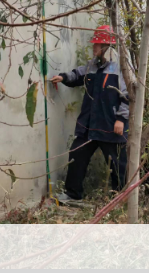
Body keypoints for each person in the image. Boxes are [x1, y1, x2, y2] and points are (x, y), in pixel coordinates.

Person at [50, 25, 129, 204]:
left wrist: (121, 119)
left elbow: (128, 95)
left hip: (111, 126)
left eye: (97, 45)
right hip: (89, 125)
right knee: (76, 155)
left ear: (106, 47)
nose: (93, 48)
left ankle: (119, 199)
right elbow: (78, 75)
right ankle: (72, 195)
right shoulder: (92, 66)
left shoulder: (120, 68)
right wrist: (63, 77)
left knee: (118, 165)